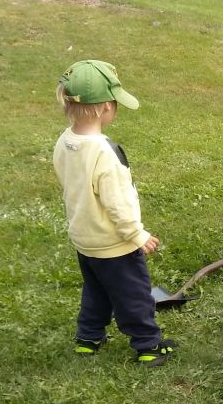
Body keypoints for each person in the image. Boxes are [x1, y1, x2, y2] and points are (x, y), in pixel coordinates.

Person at [53, 59, 176, 367]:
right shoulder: (105, 153)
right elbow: (116, 201)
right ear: (106, 107)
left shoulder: (65, 142)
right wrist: (136, 234)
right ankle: (148, 345)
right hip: (114, 244)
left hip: (85, 239)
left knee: (96, 289)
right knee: (133, 294)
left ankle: (88, 338)